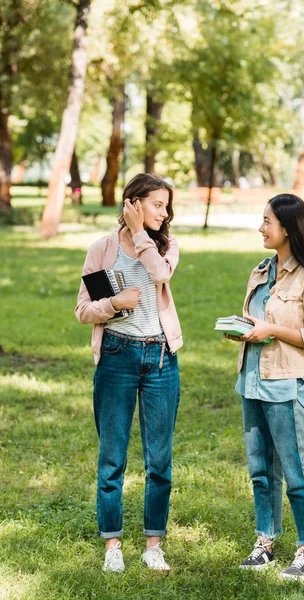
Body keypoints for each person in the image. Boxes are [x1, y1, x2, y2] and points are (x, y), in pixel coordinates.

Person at [225, 193, 304, 580]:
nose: (261, 227)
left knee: (296, 472)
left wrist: (271, 330)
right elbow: (254, 320)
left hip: (288, 387)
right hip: (252, 383)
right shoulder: (260, 270)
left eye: (266, 221)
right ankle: (265, 541)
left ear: (287, 228)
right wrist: (242, 330)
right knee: (260, 470)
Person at [75, 173, 182, 573]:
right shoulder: (102, 250)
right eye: (157, 204)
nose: (165, 212)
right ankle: (113, 545)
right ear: (132, 203)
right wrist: (113, 304)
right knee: (112, 458)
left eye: (166, 205)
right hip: (116, 358)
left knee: (160, 460)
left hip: (160, 360)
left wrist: (141, 235)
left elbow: (159, 275)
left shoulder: (167, 245)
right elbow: (84, 309)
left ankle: (153, 544)